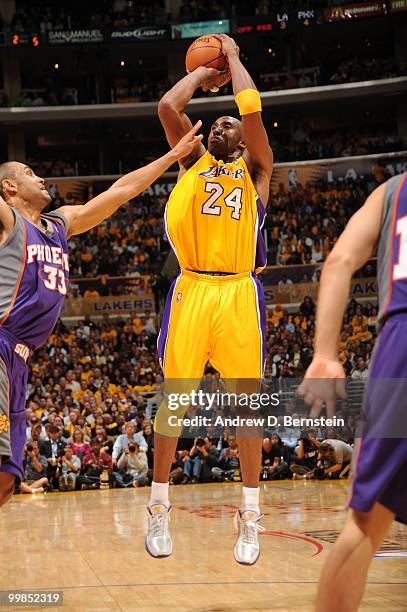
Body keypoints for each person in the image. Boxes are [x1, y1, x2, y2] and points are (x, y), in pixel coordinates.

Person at [0, 124, 203, 508]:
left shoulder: (60, 224)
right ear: (9, 187)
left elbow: (121, 191)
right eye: (28, 173)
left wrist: (174, 156)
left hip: (21, 361)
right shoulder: (9, 222)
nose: (40, 177)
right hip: (0, 344)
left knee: (7, 483)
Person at [147, 33, 273, 565]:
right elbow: (168, 107)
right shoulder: (192, 162)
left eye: (230, 123)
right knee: (174, 402)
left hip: (239, 291)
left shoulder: (258, 170)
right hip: (194, 287)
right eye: (214, 121)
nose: (220, 122)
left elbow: (251, 110)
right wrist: (205, 73)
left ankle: (250, 517)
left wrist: (237, 60)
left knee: (246, 411)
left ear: (243, 141)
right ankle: (158, 508)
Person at [298, 173, 407, 612]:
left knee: (366, 523)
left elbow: (340, 260)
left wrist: (325, 353)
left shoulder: (395, 189)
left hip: (402, 344)